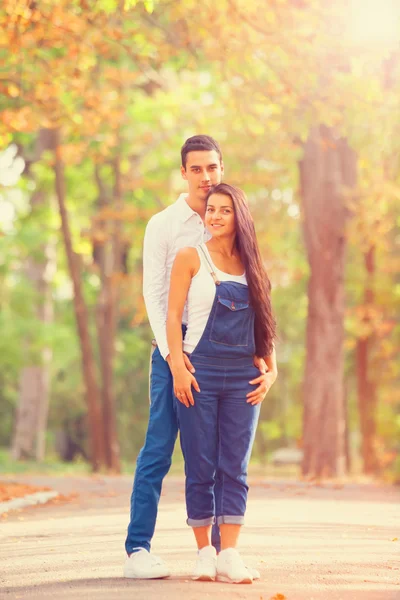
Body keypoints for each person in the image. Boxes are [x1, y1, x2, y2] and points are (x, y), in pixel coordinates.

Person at [124, 137, 271, 579]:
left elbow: (260, 300)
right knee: (159, 447)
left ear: (221, 168)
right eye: (197, 170)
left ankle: (222, 551)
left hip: (226, 348)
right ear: (184, 173)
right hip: (175, 348)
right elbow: (155, 295)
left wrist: (267, 356)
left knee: (221, 455)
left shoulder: (232, 222)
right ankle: (138, 550)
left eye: (213, 168)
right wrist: (173, 359)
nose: (206, 178)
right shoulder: (164, 225)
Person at [166, 183, 277, 583]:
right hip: (201, 373)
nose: (214, 216)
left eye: (224, 210)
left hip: (245, 378)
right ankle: (204, 553)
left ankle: (230, 553)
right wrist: (178, 365)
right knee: (200, 464)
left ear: (239, 215)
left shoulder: (254, 266)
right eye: (210, 209)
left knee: (236, 466)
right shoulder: (190, 257)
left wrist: (272, 370)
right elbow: (172, 316)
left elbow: (265, 324)